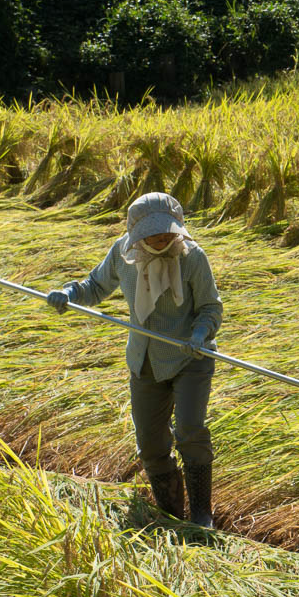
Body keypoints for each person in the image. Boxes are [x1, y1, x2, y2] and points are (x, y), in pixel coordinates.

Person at [45, 192, 222, 528]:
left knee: (189, 430)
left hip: (190, 358)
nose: (164, 237)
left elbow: (211, 307)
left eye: (169, 230)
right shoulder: (123, 253)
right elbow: (95, 285)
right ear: (136, 231)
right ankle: (171, 515)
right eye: (155, 232)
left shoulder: (192, 256)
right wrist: (69, 293)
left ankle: (201, 514)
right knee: (151, 443)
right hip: (145, 362)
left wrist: (200, 334)